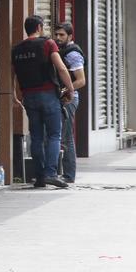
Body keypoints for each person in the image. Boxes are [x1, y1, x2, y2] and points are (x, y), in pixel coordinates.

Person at [12, 15, 75, 189]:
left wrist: (13, 95)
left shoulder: (16, 49)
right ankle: (50, 173)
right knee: (54, 135)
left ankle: (39, 177)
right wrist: (70, 89)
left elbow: (13, 74)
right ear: (39, 27)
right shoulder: (48, 44)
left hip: (29, 97)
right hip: (48, 94)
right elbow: (61, 68)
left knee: (37, 137)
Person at [54, 23, 86, 184]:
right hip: (62, 98)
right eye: (57, 35)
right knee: (59, 136)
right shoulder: (60, 52)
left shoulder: (72, 54)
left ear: (70, 36)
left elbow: (81, 80)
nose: (58, 38)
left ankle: (68, 174)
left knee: (66, 137)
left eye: (62, 35)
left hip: (69, 99)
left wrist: (65, 90)